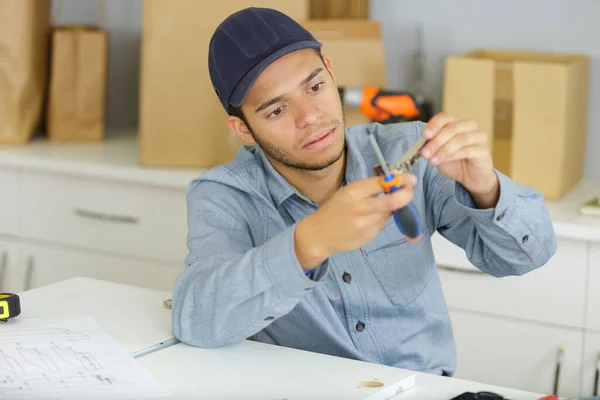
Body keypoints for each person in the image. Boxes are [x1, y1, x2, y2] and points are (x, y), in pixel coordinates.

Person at [171, 7, 557, 376]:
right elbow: (197, 321)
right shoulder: (224, 196)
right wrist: (308, 243)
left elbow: (528, 257)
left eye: (316, 87)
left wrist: (486, 187)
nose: (310, 118)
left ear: (331, 72)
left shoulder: (409, 149)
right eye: (276, 110)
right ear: (242, 129)